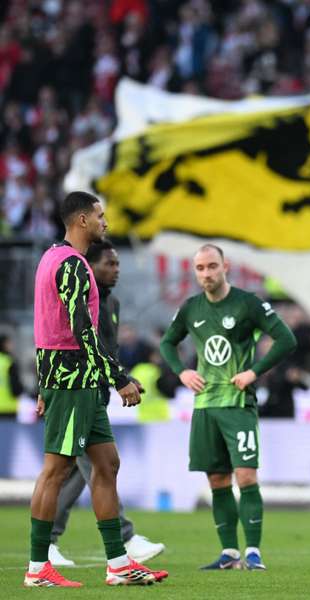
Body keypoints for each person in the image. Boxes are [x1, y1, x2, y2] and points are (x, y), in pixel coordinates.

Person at [26, 191, 167, 587]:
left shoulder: (50, 258)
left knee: (106, 465)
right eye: (100, 216)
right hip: (72, 380)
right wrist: (118, 378)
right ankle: (38, 568)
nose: (105, 222)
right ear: (82, 220)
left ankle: (119, 563)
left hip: (77, 381)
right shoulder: (71, 264)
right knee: (56, 470)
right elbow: (79, 330)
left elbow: (46, 325)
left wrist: (46, 382)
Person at [159, 244, 297, 571]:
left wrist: (254, 372)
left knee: (246, 475)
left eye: (211, 266)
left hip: (238, 404)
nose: (206, 274)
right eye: (200, 268)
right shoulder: (191, 308)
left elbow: (286, 339)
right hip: (205, 405)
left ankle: (253, 552)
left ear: (225, 267)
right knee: (217, 481)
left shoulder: (248, 303)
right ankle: (230, 554)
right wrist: (182, 371)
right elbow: (167, 343)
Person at [49, 240, 166, 567]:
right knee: (98, 465)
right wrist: (118, 380)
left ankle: (48, 541)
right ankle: (125, 539)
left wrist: (123, 376)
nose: (116, 270)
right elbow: (82, 343)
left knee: (75, 471)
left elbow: (106, 351)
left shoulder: (109, 302)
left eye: (117, 264)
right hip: (77, 392)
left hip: (96, 393)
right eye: (109, 264)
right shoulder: (83, 299)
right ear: (91, 266)